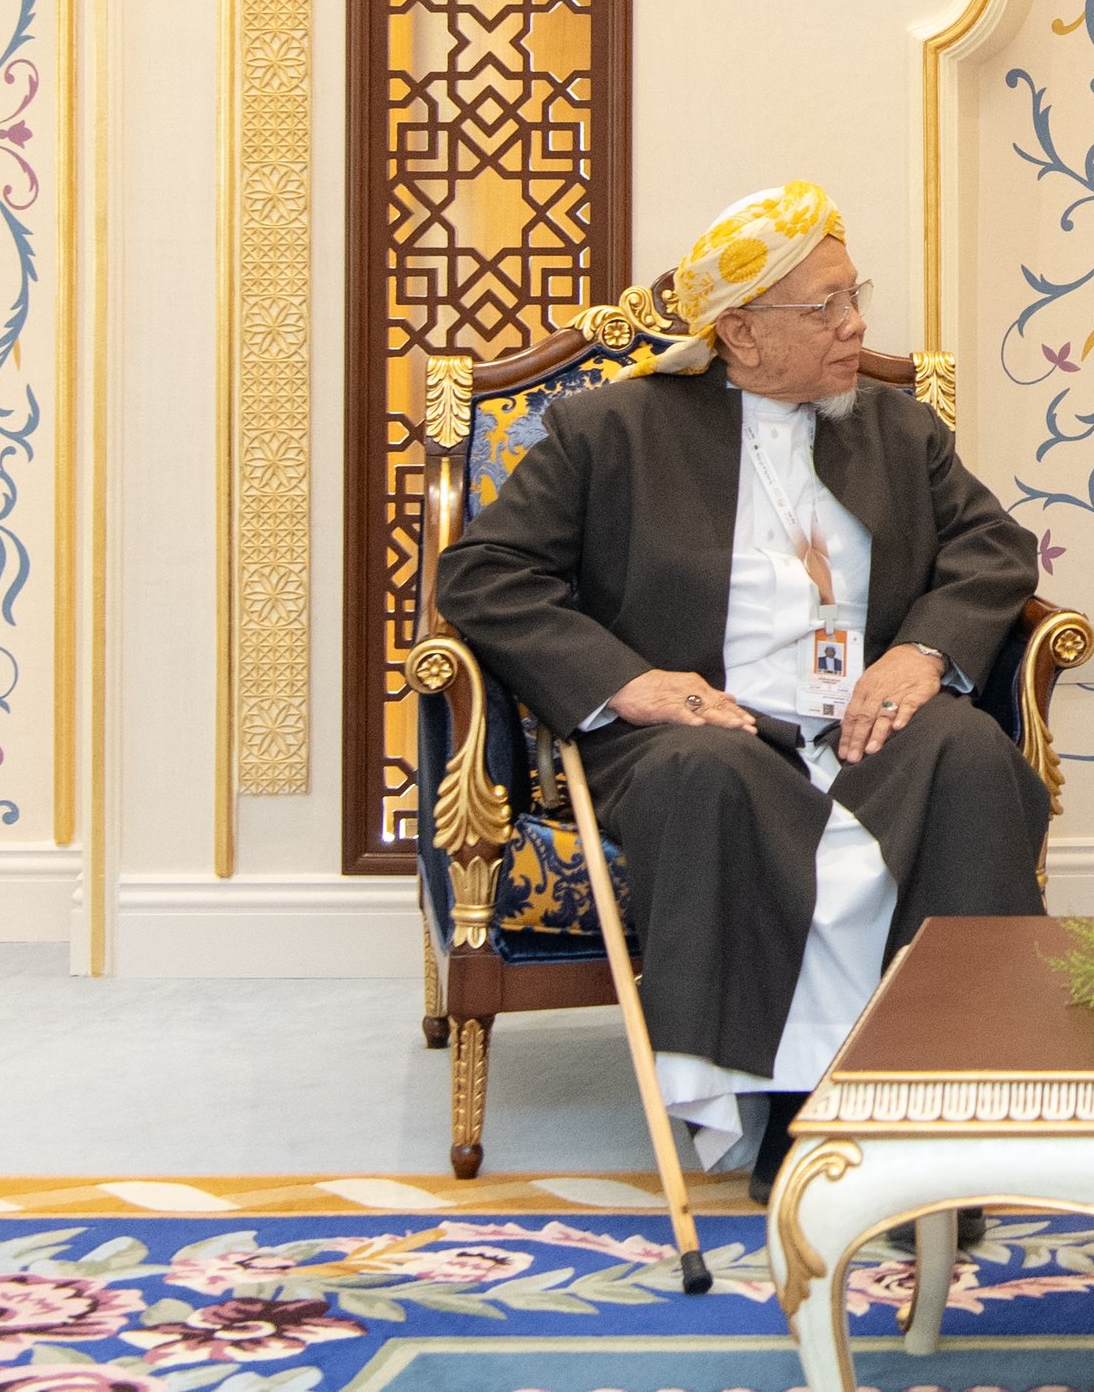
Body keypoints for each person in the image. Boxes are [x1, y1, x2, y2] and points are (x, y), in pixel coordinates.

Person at [435, 181, 1047, 1197]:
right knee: (717, 784)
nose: (855, 325)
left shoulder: (896, 431)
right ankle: (784, 1111)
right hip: (700, 728)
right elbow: (484, 576)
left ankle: (952, 1099)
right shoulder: (610, 432)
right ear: (741, 333)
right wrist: (626, 683)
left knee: (967, 755)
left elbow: (993, 548)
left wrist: (922, 655)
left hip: (865, 719)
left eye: (856, 298)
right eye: (825, 308)